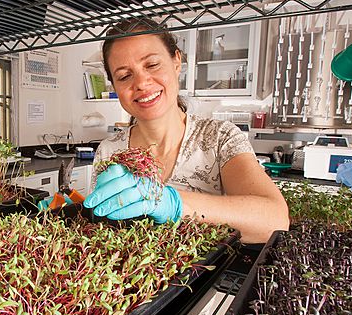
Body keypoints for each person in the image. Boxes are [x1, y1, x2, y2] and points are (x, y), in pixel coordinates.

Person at [83, 18, 289, 243]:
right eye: (124, 76)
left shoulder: (219, 138)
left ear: (176, 62)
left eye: (152, 65)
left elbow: (275, 220)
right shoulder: (109, 150)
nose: (141, 83)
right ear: (115, 86)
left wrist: (174, 204)